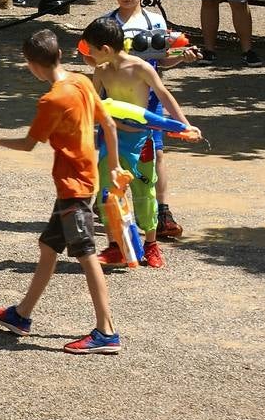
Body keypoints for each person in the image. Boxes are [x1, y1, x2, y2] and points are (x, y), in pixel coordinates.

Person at [0, 29, 125, 355]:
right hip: (80, 182)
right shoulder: (83, 81)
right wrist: (113, 166)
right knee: (48, 247)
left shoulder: (52, 99)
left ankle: (107, 331)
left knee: (86, 255)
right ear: (60, 55)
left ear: (33, 66)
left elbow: (29, 144)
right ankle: (22, 315)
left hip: (74, 187)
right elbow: (110, 125)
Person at [80, 17, 201, 269]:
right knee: (108, 192)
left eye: (90, 50)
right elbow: (94, 104)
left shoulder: (141, 68)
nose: (87, 55)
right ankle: (115, 246)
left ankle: (151, 244)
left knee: (145, 192)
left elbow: (164, 96)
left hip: (141, 139)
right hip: (112, 139)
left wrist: (184, 124)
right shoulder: (101, 71)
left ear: (105, 49)